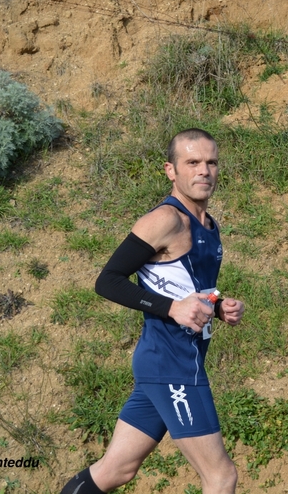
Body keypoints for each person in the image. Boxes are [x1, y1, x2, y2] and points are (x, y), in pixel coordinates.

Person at [60, 128, 245, 494]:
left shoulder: (208, 225)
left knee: (116, 470)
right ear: (171, 170)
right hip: (172, 366)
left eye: (211, 162)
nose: (204, 170)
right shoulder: (166, 220)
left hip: (165, 364)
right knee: (221, 477)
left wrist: (218, 307)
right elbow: (108, 280)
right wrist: (172, 308)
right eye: (192, 162)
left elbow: (183, 286)